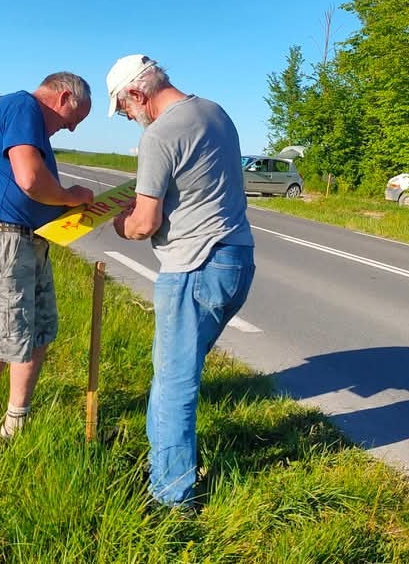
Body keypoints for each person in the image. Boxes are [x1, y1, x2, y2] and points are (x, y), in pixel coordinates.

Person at [107, 54, 255, 508]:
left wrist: (120, 223)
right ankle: (164, 466)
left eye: (125, 108)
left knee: (174, 383)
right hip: (236, 258)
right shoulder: (214, 112)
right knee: (173, 371)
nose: (128, 117)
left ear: (138, 93)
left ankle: (171, 497)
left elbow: (144, 223)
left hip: (193, 267)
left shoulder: (159, 135)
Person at [0, 72, 95, 455]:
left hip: (28, 240)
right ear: (63, 97)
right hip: (3, 239)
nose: (70, 129)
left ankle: (15, 425)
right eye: (73, 119)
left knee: (37, 334)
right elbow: (30, 178)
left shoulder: (24, 114)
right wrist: (69, 196)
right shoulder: (23, 107)